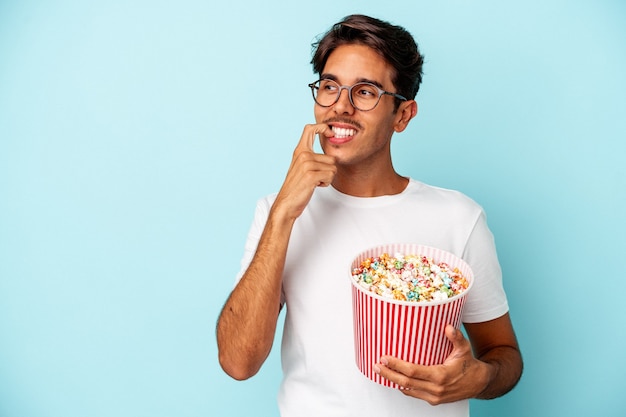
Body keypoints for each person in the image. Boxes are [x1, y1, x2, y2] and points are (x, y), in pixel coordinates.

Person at [216, 14, 523, 416]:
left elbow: (504, 355)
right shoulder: (278, 212)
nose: (339, 107)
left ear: (402, 115)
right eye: (329, 87)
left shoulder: (458, 217)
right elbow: (238, 362)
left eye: (365, 92)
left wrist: (479, 377)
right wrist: (283, 215)